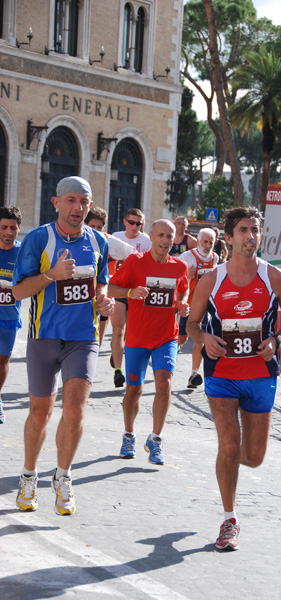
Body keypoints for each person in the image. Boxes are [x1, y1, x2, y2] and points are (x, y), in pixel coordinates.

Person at [187, 206, 281, 550]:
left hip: (261, 375)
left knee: (252, 456)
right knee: (229, 446)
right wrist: (205, 339)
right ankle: (229, 519)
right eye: (244, 231)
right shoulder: (211, 279)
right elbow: (191, 325)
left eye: (255, 230)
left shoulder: (274, 277)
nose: (251, 236)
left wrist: (276, 340)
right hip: (221, 374)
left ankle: (230, 468)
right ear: (229, 238)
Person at [13, 176, 113, 516]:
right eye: (71, 200)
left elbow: (101, 288)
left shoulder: (99, 241)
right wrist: (51, 275)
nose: (78, 208)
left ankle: (64, 476)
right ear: (56, 203)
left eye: (83, 201)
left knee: (75, 410)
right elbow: (18, 292)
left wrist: (105, 304)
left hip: (83, 338)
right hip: (43, 337)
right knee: (40, 413)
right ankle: (28, 475)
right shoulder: (39, 239)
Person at [108, 219, 189, 465]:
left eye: (170, 236)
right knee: (134, 390)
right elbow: (110, 288)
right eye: (161, 235)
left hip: (166, 336)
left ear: (175, 239)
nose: (165, 241)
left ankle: (155, 439)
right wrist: (130, 293)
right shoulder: (135, 262)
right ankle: (129, 434)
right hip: (138, 337)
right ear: (151, 236)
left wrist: (182, 303)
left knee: (164, 384)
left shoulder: (180, 267)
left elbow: (183, 290)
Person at [110, 208, 152, 387]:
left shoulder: (147, 241)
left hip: (138, 292)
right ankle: (118, 372)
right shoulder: (115, 236)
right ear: (125, 221)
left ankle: (120, 353)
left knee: (130, 334)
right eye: (132, 222)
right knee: (118, 329)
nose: (135, 226)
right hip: (119, 288)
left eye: (139, 223)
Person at [85, 207, 135, 347]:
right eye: (92, 226)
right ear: (85, 224)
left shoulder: (109, 241)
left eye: (99, 227)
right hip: (83, 294)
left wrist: (120, 276)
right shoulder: (77, 238)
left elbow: (134, 255)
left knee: (96, 342)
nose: (95, 230)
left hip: (104, 295)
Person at [179, 227, 219, 388]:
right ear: (198, 241)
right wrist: (185, 276)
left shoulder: (215, 258)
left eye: (211, 242)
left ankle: (194, 374)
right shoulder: (187, 257)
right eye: (205, 241)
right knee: (182, 338)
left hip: (205, 304)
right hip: (188, 303)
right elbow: (173, 276)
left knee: (199, 339)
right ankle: (170, 355)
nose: (208, 245)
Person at [0, 206, 22, 424]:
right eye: (4, 227)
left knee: (2, 360)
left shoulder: (23, 252)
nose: (8, 232)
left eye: (12, 228)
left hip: (9, 316)